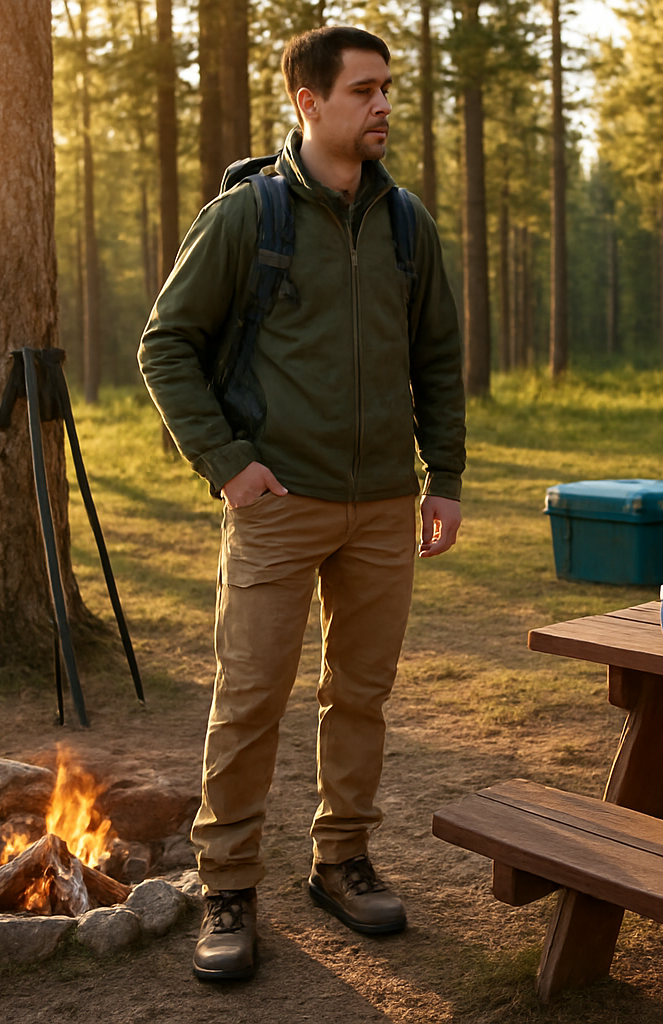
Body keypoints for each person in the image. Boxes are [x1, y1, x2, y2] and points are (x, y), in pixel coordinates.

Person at [137, 25, 465, 982]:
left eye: (388, 89)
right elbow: (166, 346)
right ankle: (229, 885)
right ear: (308, 103)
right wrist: (229, 466)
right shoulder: (249, 217)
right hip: (278, 505)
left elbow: (438, 359)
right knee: (249, 700)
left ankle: (342, 861)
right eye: (364, 90)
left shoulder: (409, 225)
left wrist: (442, 477)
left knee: (360, 697)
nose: (383, 106)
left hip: (382, 508)